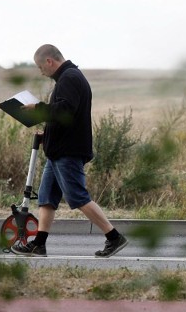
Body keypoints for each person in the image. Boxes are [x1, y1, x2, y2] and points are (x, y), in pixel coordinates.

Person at [11, 44, 128, 257]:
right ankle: (39, 244)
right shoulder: (67, 79)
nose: (41, 71)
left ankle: (114, 237)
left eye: (40, 66)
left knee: (78, 197)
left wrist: (37, 108)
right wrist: (45, 135)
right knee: (46, 198)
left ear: (49, 61)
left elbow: (65, 111)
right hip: (57, 150)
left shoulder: (70, 78)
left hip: (68, 151)